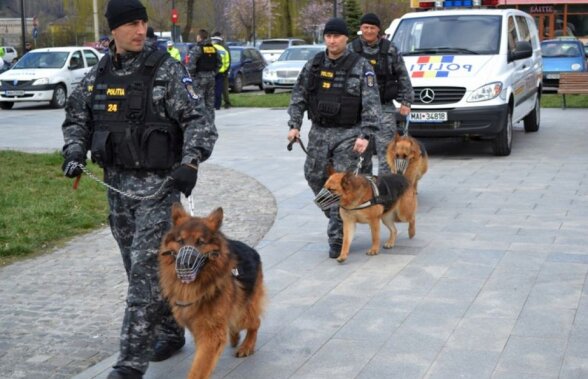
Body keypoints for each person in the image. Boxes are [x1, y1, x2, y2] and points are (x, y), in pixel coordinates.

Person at [60, 1, 218, 378]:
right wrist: (74, 151)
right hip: (117, 190)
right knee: (138, 269)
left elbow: (199, 118)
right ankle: (169, 330)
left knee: (145, 274)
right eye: (131, 24)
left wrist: (190, 161)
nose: (140, 30)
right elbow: (76, 117)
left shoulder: (166, 69)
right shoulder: (99, 74)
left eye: (143, 23)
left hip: (159, 189)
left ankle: (130, 364)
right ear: (112, 30)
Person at [286, 18, 382, 259]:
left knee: (343, 184)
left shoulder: (361, 66)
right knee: (314, 176)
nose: (332, 40)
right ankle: (339, 214)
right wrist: (294, 124)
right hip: (319, 132)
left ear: (346, 38)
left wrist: (365, 135)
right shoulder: (315, 64)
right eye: (328, 36)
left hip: (350, 134)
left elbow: (372, 103)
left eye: (337, 36)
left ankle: (337, 239)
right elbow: (299, 95)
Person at [349, 13, 413, 175]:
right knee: (361, 153)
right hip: (358, 111)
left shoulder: (390, 49)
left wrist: (406, 101)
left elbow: (402, 75)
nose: (368, 31)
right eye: (365, 27)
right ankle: (365, 187)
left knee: (387, 152)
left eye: (372, 28)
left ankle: (385, 188)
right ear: (360, 29)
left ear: (378, 29)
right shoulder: (351, 49)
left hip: (383, 109)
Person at [187, 29, 220, 125]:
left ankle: (201, 125)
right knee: (210, 103)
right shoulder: (213, 49)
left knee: (199, 102)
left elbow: (191, 65)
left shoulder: (197, 49)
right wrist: (213, 73)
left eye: (197, 36)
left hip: (199, 79)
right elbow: (219, 63)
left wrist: (192, 76)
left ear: (200, 37)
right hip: (211, 78)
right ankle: (210, 123)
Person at [212, 31, 232, 109]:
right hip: (223, 71)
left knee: (217, 88)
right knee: (223, 88)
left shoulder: (214, 47)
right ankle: (225, 103)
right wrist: (226, 70)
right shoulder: (224, 47)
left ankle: (219, 103)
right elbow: (228, 60)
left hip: (216, 71)